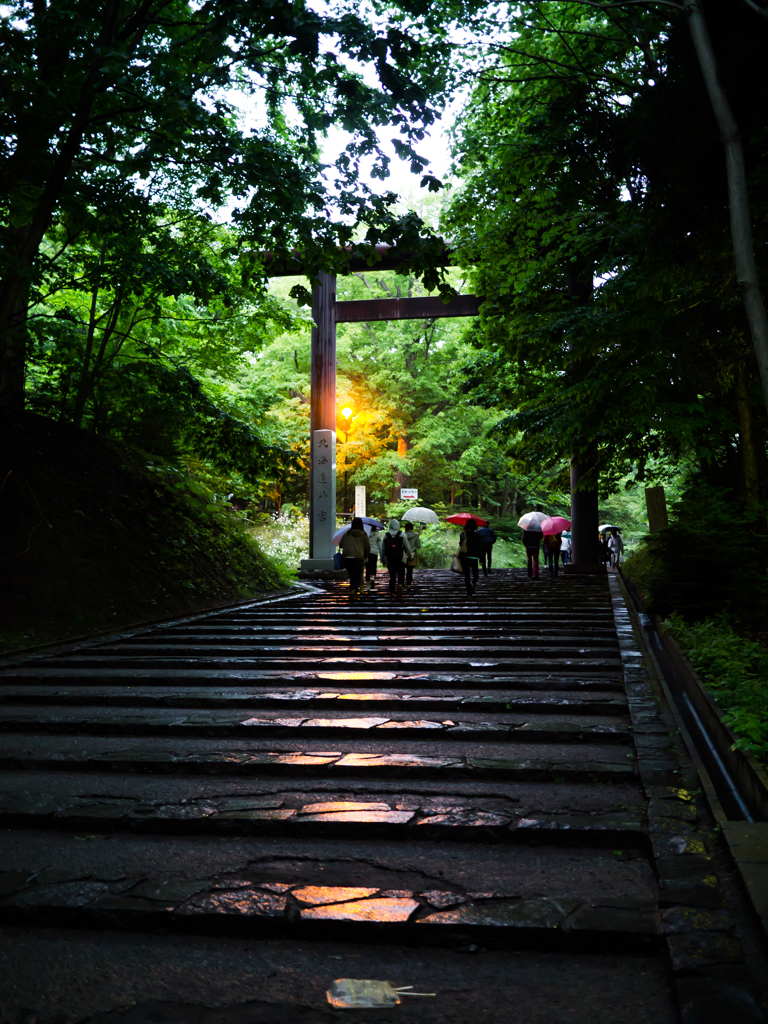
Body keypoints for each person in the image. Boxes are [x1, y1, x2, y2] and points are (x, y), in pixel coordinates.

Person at [339, 517, 369, 599]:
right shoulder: (363, 535)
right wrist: (365, 556)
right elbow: (367, 547)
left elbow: (340, 544)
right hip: (357, 558)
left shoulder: (347, 533)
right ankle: (353, 590)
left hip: (347, 558)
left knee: (352, 575)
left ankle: (353, 591)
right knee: (357, 576)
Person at [458, 518, 481, 596]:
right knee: (475, 574)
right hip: (474, 557)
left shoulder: (463, 534)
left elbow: (461, 545)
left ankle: (469, 594)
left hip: (465, 557)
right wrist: (481, 558)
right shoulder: (477, 535)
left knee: (467, 575)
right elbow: (479, 547)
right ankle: (473, 584)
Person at [383, 519, 406, 598]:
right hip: (401, 558)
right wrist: (409, 556)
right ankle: (400, 584)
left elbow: (383, 549)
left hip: (389, 559)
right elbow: (407, 547)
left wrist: (383, 559)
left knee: (392, 576)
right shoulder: (402, 535)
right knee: (401, 573)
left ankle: (392, 592)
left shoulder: (386, 535)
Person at [402, 521, 421, 590]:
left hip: (403, 554)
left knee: (402, 570)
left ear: (405, 528)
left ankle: (401, 583)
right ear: (412, 528)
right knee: (410, 570)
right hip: (412, 554)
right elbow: (418, 546)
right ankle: (409, 584)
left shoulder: (402, 535)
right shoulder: (415, 535)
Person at [366, 526, 382, 591]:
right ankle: (373, 577)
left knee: (368, 568)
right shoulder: (377, 534)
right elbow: (380, 546)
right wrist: (381, 555)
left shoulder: (366, 534)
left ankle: (368, 585)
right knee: (373, 566)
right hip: (374, 552)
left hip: (367, 552)